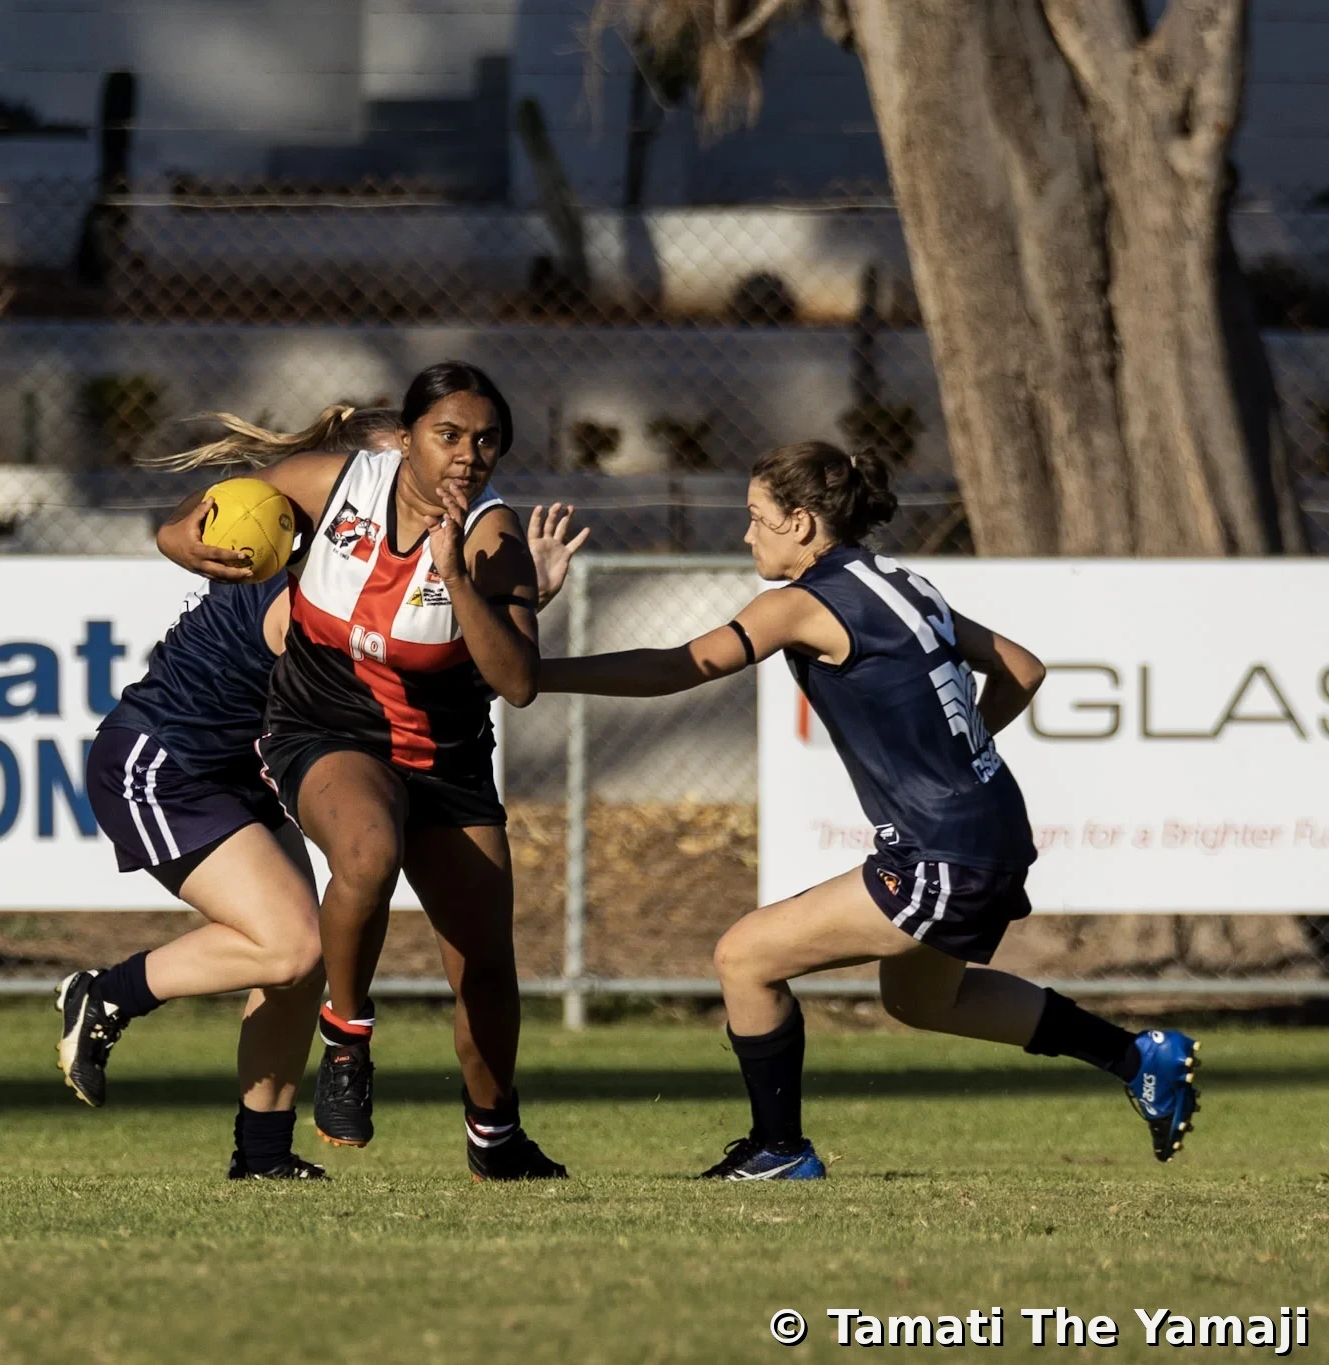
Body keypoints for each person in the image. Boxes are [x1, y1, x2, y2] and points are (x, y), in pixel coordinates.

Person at [538, 440, 1200, 1180]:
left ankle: (779, 1151)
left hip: (942, 849)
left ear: (801, 521)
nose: (747, 533)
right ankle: (1138, 1057)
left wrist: (537, 673)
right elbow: (1024, 667)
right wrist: (958, 753)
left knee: (745, 956)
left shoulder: (798, 603)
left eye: (757, 517)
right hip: (987, 830)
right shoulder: (902, 583)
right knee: (922, 998)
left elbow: (676, 667)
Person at [60, 401, 588, 1182]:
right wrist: (507, 615)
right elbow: (381, 672)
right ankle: (107, 992)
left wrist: (504, 606)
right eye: (388, 478)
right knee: (293, 943)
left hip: (245, 775)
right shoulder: (302, 584)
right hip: (165, 763)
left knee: (304, 954)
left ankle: (263, 1156)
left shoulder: (372, 566)